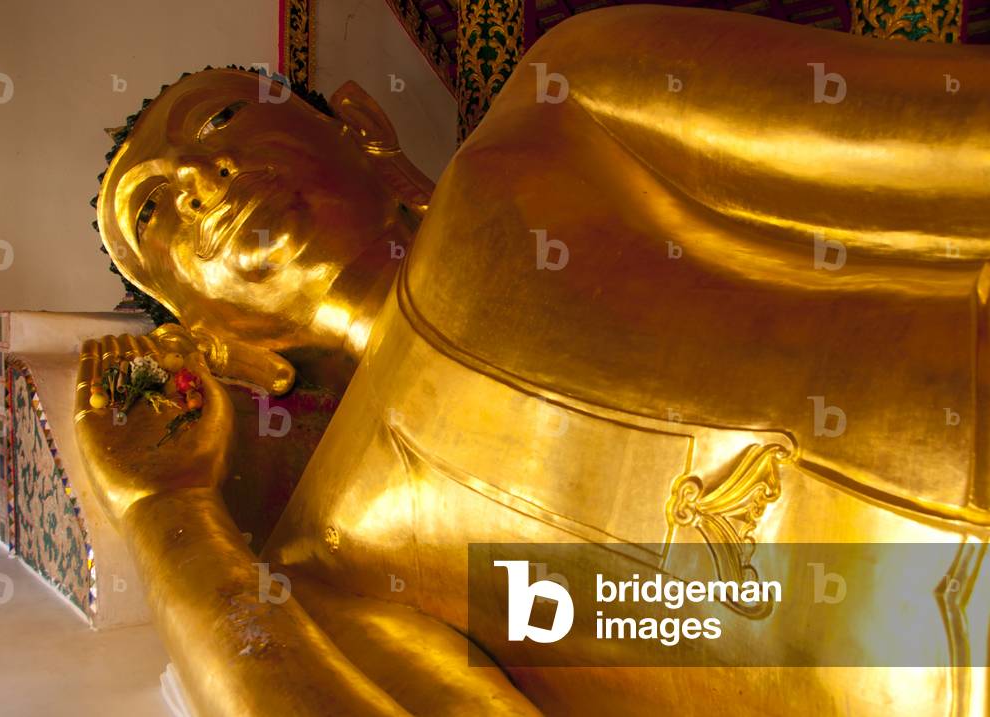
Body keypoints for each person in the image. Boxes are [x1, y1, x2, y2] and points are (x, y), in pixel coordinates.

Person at [80, 6, 990, 715]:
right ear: (211, 341)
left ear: (359, 125)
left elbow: (950, 139)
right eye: (151, 212)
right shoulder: (329, 567)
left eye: (222, 117)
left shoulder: (566, 105)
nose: (197, 180)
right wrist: (166, 513)